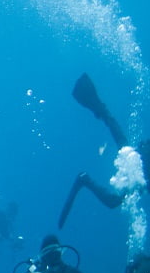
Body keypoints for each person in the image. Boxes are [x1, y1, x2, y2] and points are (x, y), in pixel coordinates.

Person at [58, 73, 149, 228]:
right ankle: (84, 179)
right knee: (114, 199)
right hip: (143, 165)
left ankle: (99, 107)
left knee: (124, 146)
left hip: (142, 166)